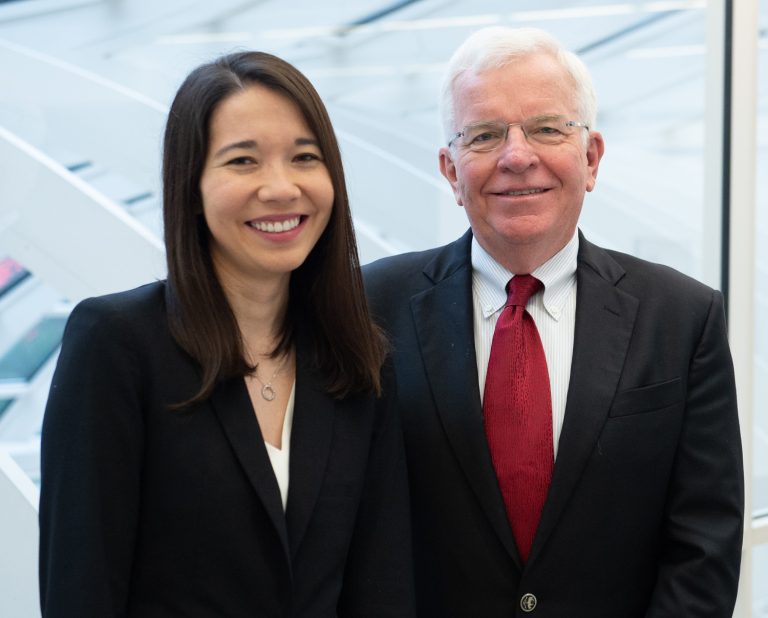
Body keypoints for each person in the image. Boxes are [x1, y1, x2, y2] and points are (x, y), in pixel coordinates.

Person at [363, 26, 743, 617]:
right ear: (449, 171)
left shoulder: (683, 317)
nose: (518, 156)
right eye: (485, 135)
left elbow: (705, 546)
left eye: (547, 128)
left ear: (590, 157)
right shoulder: (370, 308)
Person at [39, 51, 414, 617]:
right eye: (243, 162)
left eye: (304, 158)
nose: (281, 188)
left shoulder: (356, 358)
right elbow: (82, 588)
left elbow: (381, 590)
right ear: (190, 187)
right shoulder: (116, 344)